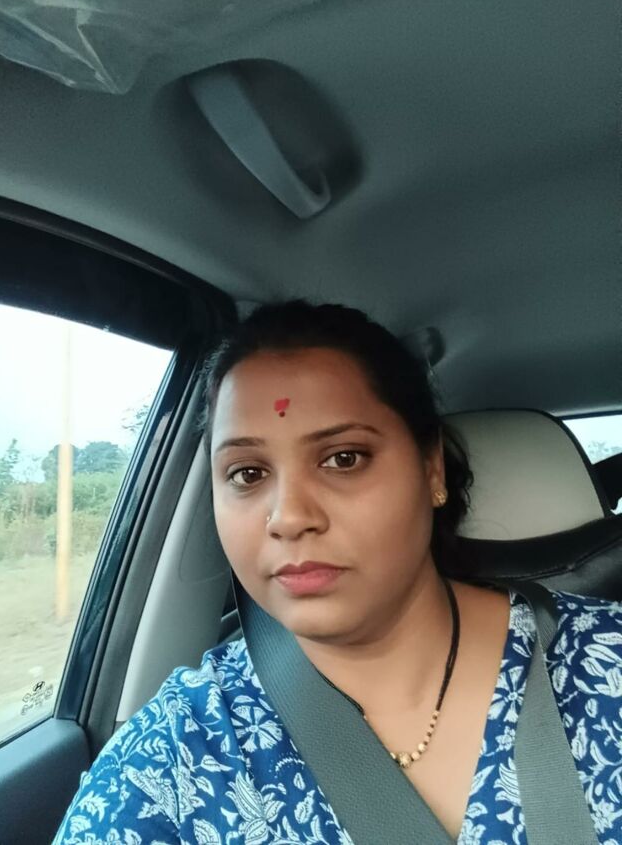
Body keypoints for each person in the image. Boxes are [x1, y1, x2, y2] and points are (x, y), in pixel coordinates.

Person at [54, 300, 621, 845]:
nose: (288, 517)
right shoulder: (179, 752)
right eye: (248, 473)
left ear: (432, 469)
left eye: (343, 458)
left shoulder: (606, 662)